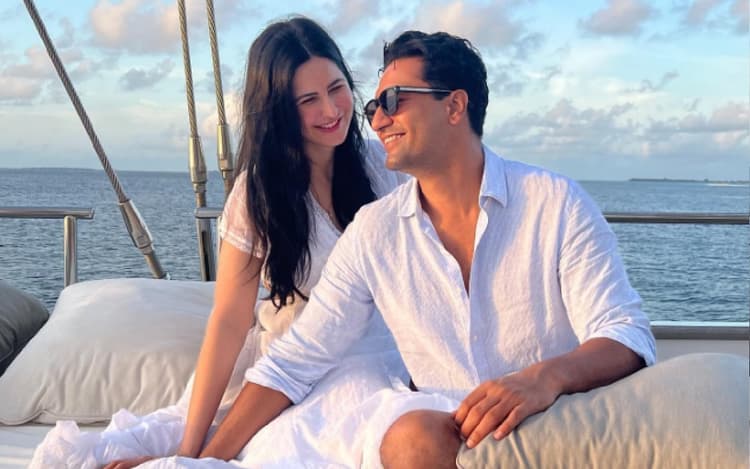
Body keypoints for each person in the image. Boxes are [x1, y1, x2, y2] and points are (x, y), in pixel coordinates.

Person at [189, 30, 657, 468]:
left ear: (454, 106)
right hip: (449, 434)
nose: (377, 120)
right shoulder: (375, 231)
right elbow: (297, 359)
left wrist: (543, 379)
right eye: (374, 105)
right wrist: (202, 460)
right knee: (410, 437)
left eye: (394, 100)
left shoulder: (553, 202)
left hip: (552, 424)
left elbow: (626, 333)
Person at [30, 17, 409, 469]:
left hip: (375, 356)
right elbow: (229, 321)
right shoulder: (258, 195)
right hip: (291, 362)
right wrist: (188, 453)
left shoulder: (385, 168)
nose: (330, 110)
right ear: (278, 112)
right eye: (308, 100)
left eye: (336, 88)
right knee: (220, 446)